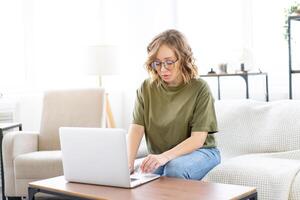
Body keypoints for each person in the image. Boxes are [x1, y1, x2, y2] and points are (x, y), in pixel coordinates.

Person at [127, 29, 220, 180]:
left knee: (174, 168)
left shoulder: (200, 88)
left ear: (182, 59)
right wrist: (129, 163)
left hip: (202, 152)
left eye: (169, 62)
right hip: (163, 155)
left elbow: (198, 139)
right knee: (144, 175)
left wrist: (164, 157)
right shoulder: (146, 88)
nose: (163, 69)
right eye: (157, 63)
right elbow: (136, 129)